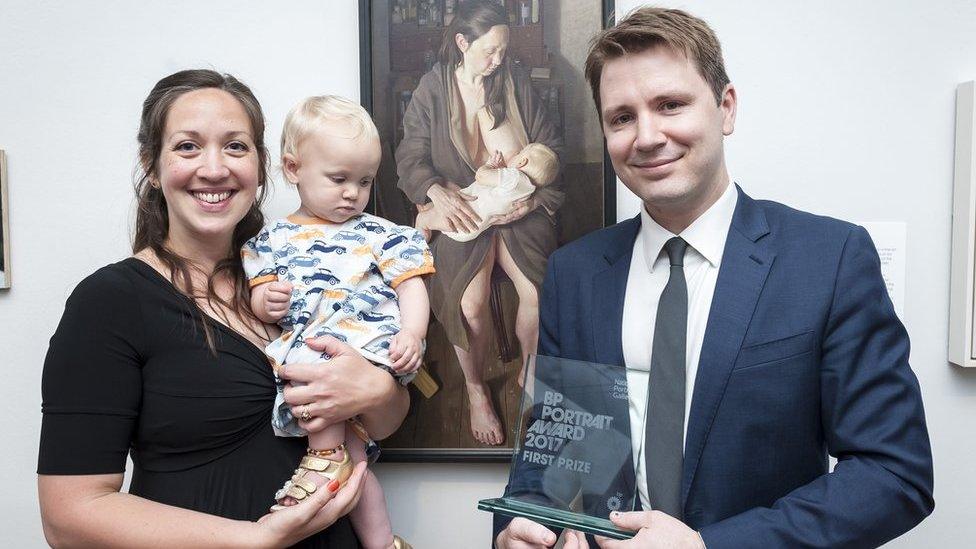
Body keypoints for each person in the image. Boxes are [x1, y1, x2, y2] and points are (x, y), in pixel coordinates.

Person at [494, 7, 933, 548]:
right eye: (621, 117)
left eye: (670, 105)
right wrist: (517, 530)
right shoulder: (575, 274)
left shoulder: (830, 259)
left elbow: (894, 475)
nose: (647, 136)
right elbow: (553, 463)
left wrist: (708, 547)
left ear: (726, 108)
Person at [37, 69, 409, 548]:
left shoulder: (300, 275)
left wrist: (378, 389)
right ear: (152, 165)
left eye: (235, 146)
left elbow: (385, 419)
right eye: (188, 146)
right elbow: (68, 517)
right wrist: (255, 540)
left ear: (262, 165)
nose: (214, 169)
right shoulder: (108, 303)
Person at [244, 95, 432, 549]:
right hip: (315, 346)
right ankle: (384, 542)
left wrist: (413, 332)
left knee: (319, 375)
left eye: (364, 181)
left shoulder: (379, 234)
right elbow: (258, 295)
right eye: (339, 179)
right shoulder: (272, 239)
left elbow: (411, 286)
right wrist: (265, 301)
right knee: (358, 462)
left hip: (367, 345)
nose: (352, 193)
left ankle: (321, 455)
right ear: (293, 169)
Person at [396, 0, 564, 445]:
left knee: (537, 290)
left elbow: (548, 144)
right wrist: (435, 193)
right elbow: (410, 156)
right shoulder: (433, 90)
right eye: (490, 51)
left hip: (516, 205)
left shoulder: (514, 81)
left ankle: (531, 374)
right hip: (461, 205)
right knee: (468, 304)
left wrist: (530, 197)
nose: (498, 60)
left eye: (503, 51)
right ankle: (476, 390)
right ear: (462, 43)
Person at [416, 143, 559, 243]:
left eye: (518, 154)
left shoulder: (514, 177)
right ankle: (429, 213)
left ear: (522, 161)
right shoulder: (528, 191)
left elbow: (481, 176)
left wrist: (490, 166)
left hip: (460, 217)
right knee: (432, 208)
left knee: (423, 220)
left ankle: (418, 240)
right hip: (473, 229)